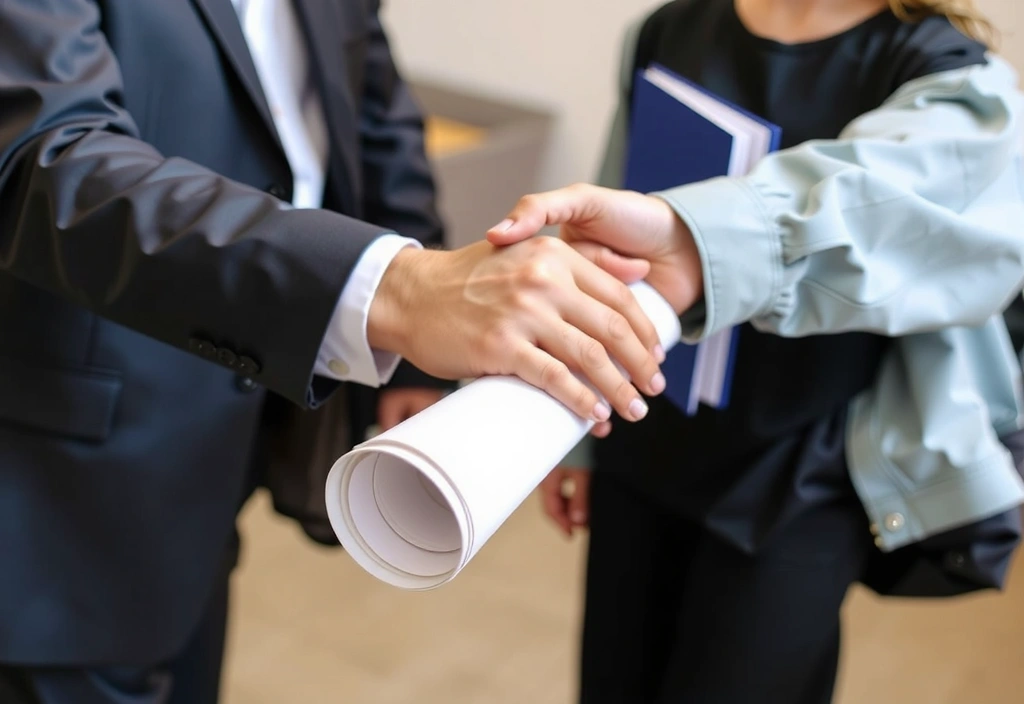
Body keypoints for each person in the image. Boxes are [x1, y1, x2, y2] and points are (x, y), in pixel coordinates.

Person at [0, 1, 667, 702]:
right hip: (68, 463)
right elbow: (44, 160)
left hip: (225, 434)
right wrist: (398, 291)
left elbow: (375, 110)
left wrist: (411, 359)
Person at [489, 0, 1024, 702]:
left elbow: (878, 201)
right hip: (646, 433)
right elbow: (606, 232)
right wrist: (578, 434)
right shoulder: (670, 28)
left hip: (803, 472)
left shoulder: (950, 78)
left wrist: (696, 239)